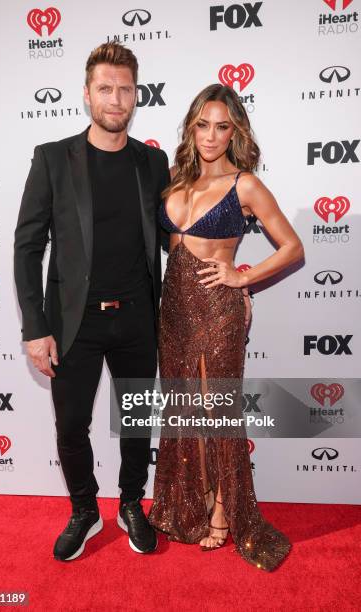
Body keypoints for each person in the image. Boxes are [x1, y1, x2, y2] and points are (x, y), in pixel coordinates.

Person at [14, 42, 170, 561]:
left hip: (138, 320)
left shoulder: (153, 162)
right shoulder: (54, 158)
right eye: (105, 88)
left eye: (125, 89)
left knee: (135, 422)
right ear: (87, 94)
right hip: (72, 323)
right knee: (70, 426)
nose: (116, 98)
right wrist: (35, 328)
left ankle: (130, 503)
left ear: (136, 95)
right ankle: (84, 509)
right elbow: (27, 245)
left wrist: (232, 280)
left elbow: (177, 238)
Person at [148, 84, 304, 571]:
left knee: (216, 409)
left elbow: (292, 248)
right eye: (202, 124)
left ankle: (222, 511)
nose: (211, 136)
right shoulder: (175, 179)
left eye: (222, 126)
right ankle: (188, 502)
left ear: (234, 130)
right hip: (172, 310)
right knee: (185, 409)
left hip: (218, 308)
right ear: (190, 127)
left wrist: (244, 279)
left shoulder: (246, 185)